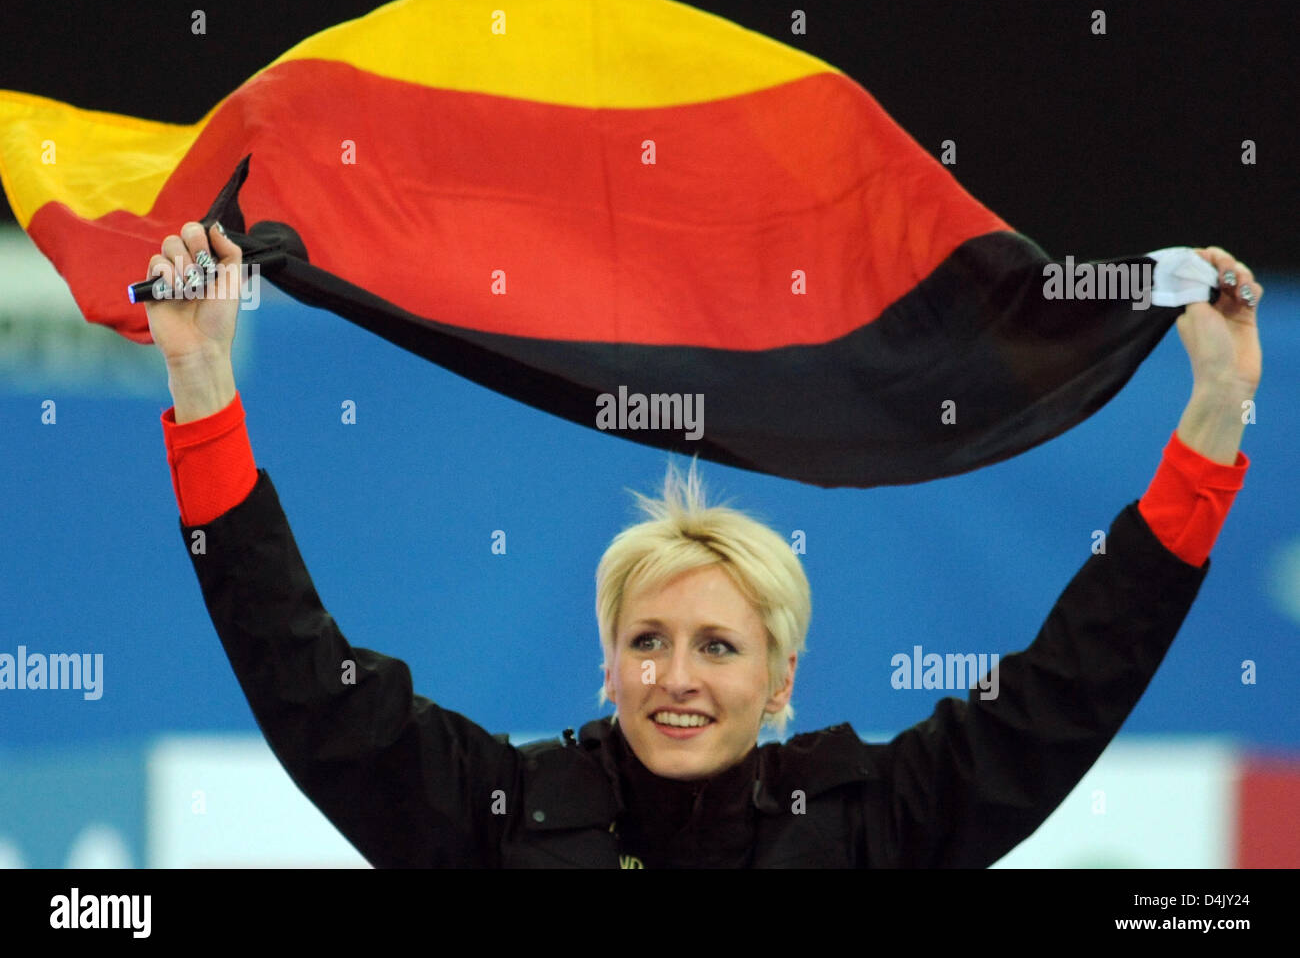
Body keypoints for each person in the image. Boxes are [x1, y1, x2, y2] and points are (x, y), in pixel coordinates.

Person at [144, 221, 1260, 868]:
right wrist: (202, 388)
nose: (675, 676)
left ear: (781, 679)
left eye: (718, 647)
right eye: (648, 639)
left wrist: (1215, 411)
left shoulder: (873, 829)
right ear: (608, 664)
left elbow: (1072, 681)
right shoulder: (497, 817)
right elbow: (306, 683)